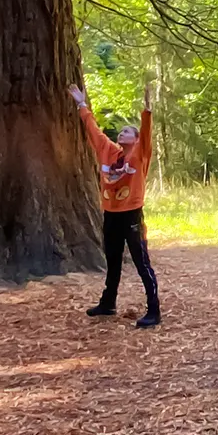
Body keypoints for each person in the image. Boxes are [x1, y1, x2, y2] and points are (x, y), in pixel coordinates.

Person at [71, 83, 161, 328]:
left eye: (127, 132)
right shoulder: (109, 152)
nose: (122, 134)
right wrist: (82, 104)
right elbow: (94, 130)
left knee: (141, 262)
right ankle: (108, 303)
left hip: (131, 213)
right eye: (120, 132)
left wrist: (147, 109)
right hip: (110, 213)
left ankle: (154, 309)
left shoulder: (140, 154)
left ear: (137, 138)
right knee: (112, 259)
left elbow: (146, 131)